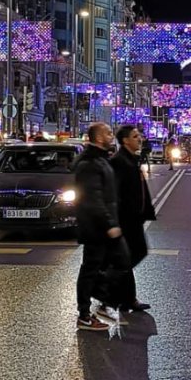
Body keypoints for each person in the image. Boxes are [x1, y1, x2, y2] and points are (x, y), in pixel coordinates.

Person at [74, 122, 132, 331]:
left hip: (102, 225)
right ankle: (85, 315)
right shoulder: (90, 163)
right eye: (108, 133)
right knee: (92, 268)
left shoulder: (100, 158)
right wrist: (110, 225)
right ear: (98, 138)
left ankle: (102, 303)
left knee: (114, 264)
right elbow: (93, 198)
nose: (111, 136)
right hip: (96, 228)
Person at [110, 125, 155, 312]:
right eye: (135, 136)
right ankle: (110, 290)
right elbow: (115, 194)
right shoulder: (120, 162)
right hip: (126, 219)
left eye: (139, 136)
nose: (140, 139)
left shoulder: (130, 159)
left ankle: (127, 298)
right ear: (125, 141)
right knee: (134, 254)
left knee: (129, 257)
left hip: (134, 218)